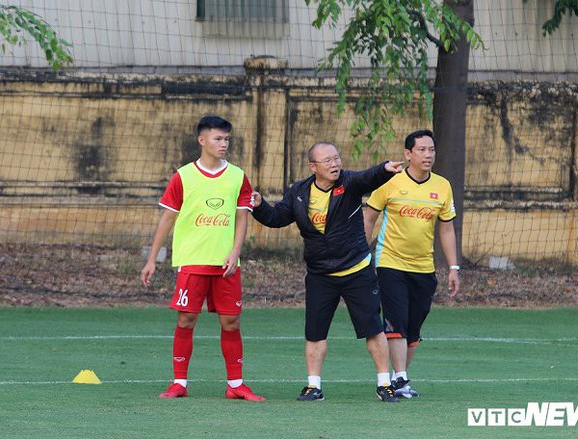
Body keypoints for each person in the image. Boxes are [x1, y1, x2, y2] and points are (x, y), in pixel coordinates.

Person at [251, 141, 404, 402]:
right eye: (327, 161)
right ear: (313, 167)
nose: (334, 164)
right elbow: (277, 217)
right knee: (315, 331)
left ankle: (384, 383)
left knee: (373, 328)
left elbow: (368, 177)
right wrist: (259, 205)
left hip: (357, 270)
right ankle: (313, 386)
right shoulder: (299, 192)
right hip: (320, 274)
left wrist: (385, 169)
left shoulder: (349, 183)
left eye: (336, 158)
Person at [141, 115, 265, 401]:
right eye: (218, 139)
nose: (224, 144)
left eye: (227, 139)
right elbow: (167, 218)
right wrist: (152, 259)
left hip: (226, 264)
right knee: (186, 319)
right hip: (193, 261)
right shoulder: (183, 176)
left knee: (231, 322)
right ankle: (179, 383)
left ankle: (236, 384)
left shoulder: (237, 176)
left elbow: (242, 216)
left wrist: (236, 251)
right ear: (202, 140)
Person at [363, 129, 460, 399]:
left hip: (424, 268)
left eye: (431, 150)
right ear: (408, 154)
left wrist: (454, 268)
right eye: (421, 150)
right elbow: (369, 217)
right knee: (396, 321)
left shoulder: (442, 186)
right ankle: (401, 379)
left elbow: (447, 230)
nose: (428, 155)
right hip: (390, 263)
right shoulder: (389, 183)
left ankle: (399, 377)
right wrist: (362, 254)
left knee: (414, 327)